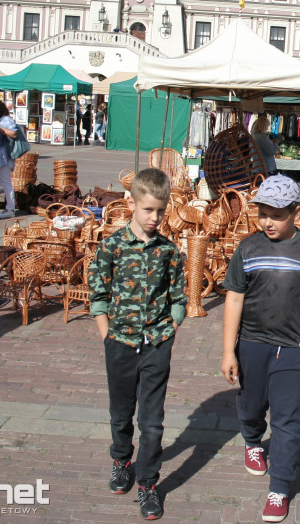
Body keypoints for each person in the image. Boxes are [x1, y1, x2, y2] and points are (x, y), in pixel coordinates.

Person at [220, 174, 300, 523]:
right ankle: (251, 440)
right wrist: (228, 350)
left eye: (276, 214)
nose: (267, 222)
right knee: (251, 405)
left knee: (288, 420)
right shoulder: (248, 249)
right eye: (263, 213)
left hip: (295, 349)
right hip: (252, 344)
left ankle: (279, 487)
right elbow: (234, 298)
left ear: (295, 211)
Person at [87, 168, 186, 520]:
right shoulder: (111, 247)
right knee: (120, 414)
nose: (155, 218)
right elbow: (97, 296)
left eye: (161, 210)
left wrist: (171, 328)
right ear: (131, 203)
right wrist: (107, 336)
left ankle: (147, 484)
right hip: (120, 343)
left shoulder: (169, 252)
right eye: (148, 210)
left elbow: (178, 298)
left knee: (153, 422)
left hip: (157, 344)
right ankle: (120, 460)